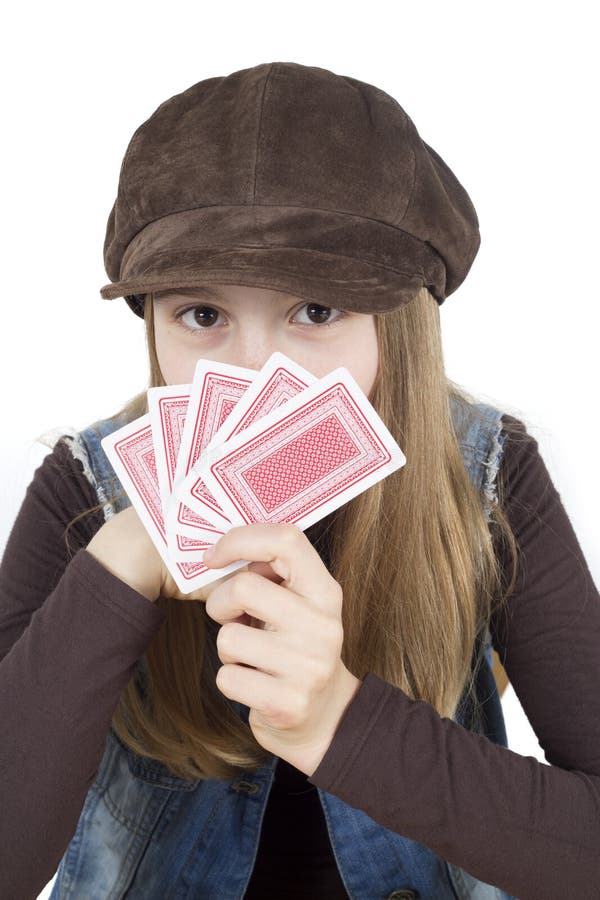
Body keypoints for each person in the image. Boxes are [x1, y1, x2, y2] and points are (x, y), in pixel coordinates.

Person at [0, 61, 598, 900]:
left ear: (400, 326)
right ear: (155, 325)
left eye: (316, 311)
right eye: (202, 315)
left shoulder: (491, 478)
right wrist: (127, 554)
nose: (253, 373)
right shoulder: (87, 492)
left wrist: (338, 723)